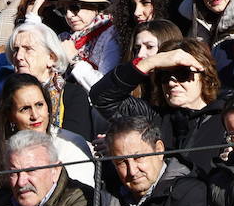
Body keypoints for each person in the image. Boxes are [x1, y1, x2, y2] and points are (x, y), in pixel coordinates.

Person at [90, 38, 224, 173]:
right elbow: (101, 97)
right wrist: (150, 62)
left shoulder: (225, 119)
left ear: (205, 76)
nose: (171, 83)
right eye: (164, 76)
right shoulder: (151, 118)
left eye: (182, 74)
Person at [0, 72, 93, 189]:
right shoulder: (1, 153)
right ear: (10, 115)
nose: (35, 115)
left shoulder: (71, 145)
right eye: (25, 109)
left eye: (39, 105)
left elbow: (82, 198)